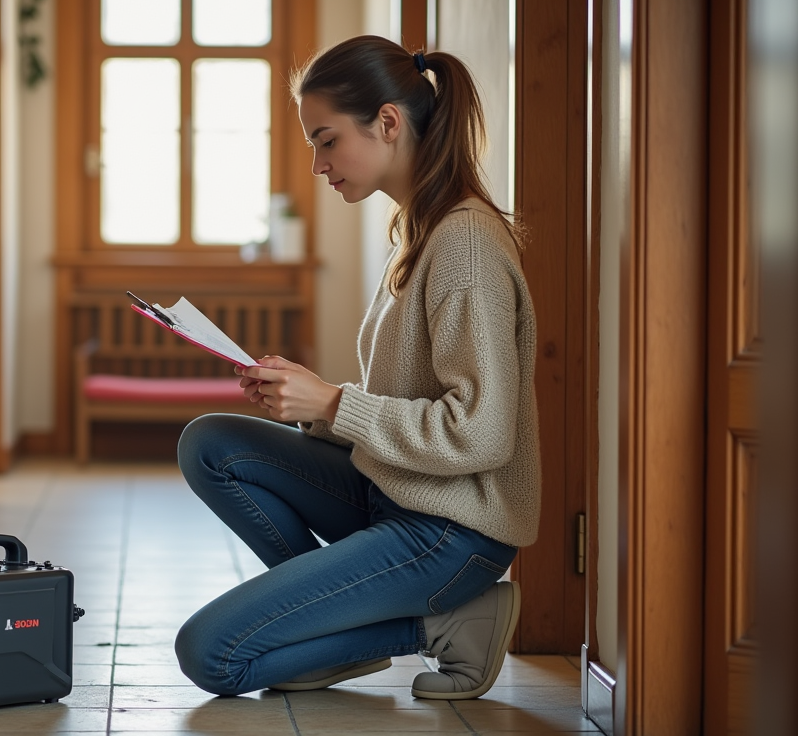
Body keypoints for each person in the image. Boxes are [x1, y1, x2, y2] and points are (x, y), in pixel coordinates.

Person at [174, 35, 541, 700]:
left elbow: (483, 433)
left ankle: (448, 621)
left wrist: (333, 404)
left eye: (326, 140)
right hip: (395, 492)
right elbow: (405, 400)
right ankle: (330, 634)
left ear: (388, 123)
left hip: (450, 530)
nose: (317, 164)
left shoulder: (463, 245)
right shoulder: (419, 229)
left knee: (212, 655)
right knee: (211, 444)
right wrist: (310, 399)